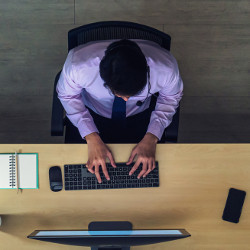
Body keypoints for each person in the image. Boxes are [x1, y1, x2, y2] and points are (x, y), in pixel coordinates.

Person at [57, 39, 183, 183]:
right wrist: (91, 136)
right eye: (119, 94)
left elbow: (170, 98)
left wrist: (152, 136)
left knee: (149, 176)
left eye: (131, 94)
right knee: (80, 175)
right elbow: (67, 95)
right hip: (91, 113)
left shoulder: (165, 68)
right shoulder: (78, 66)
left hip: (140, 114)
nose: (125, 99)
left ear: (147, 71)